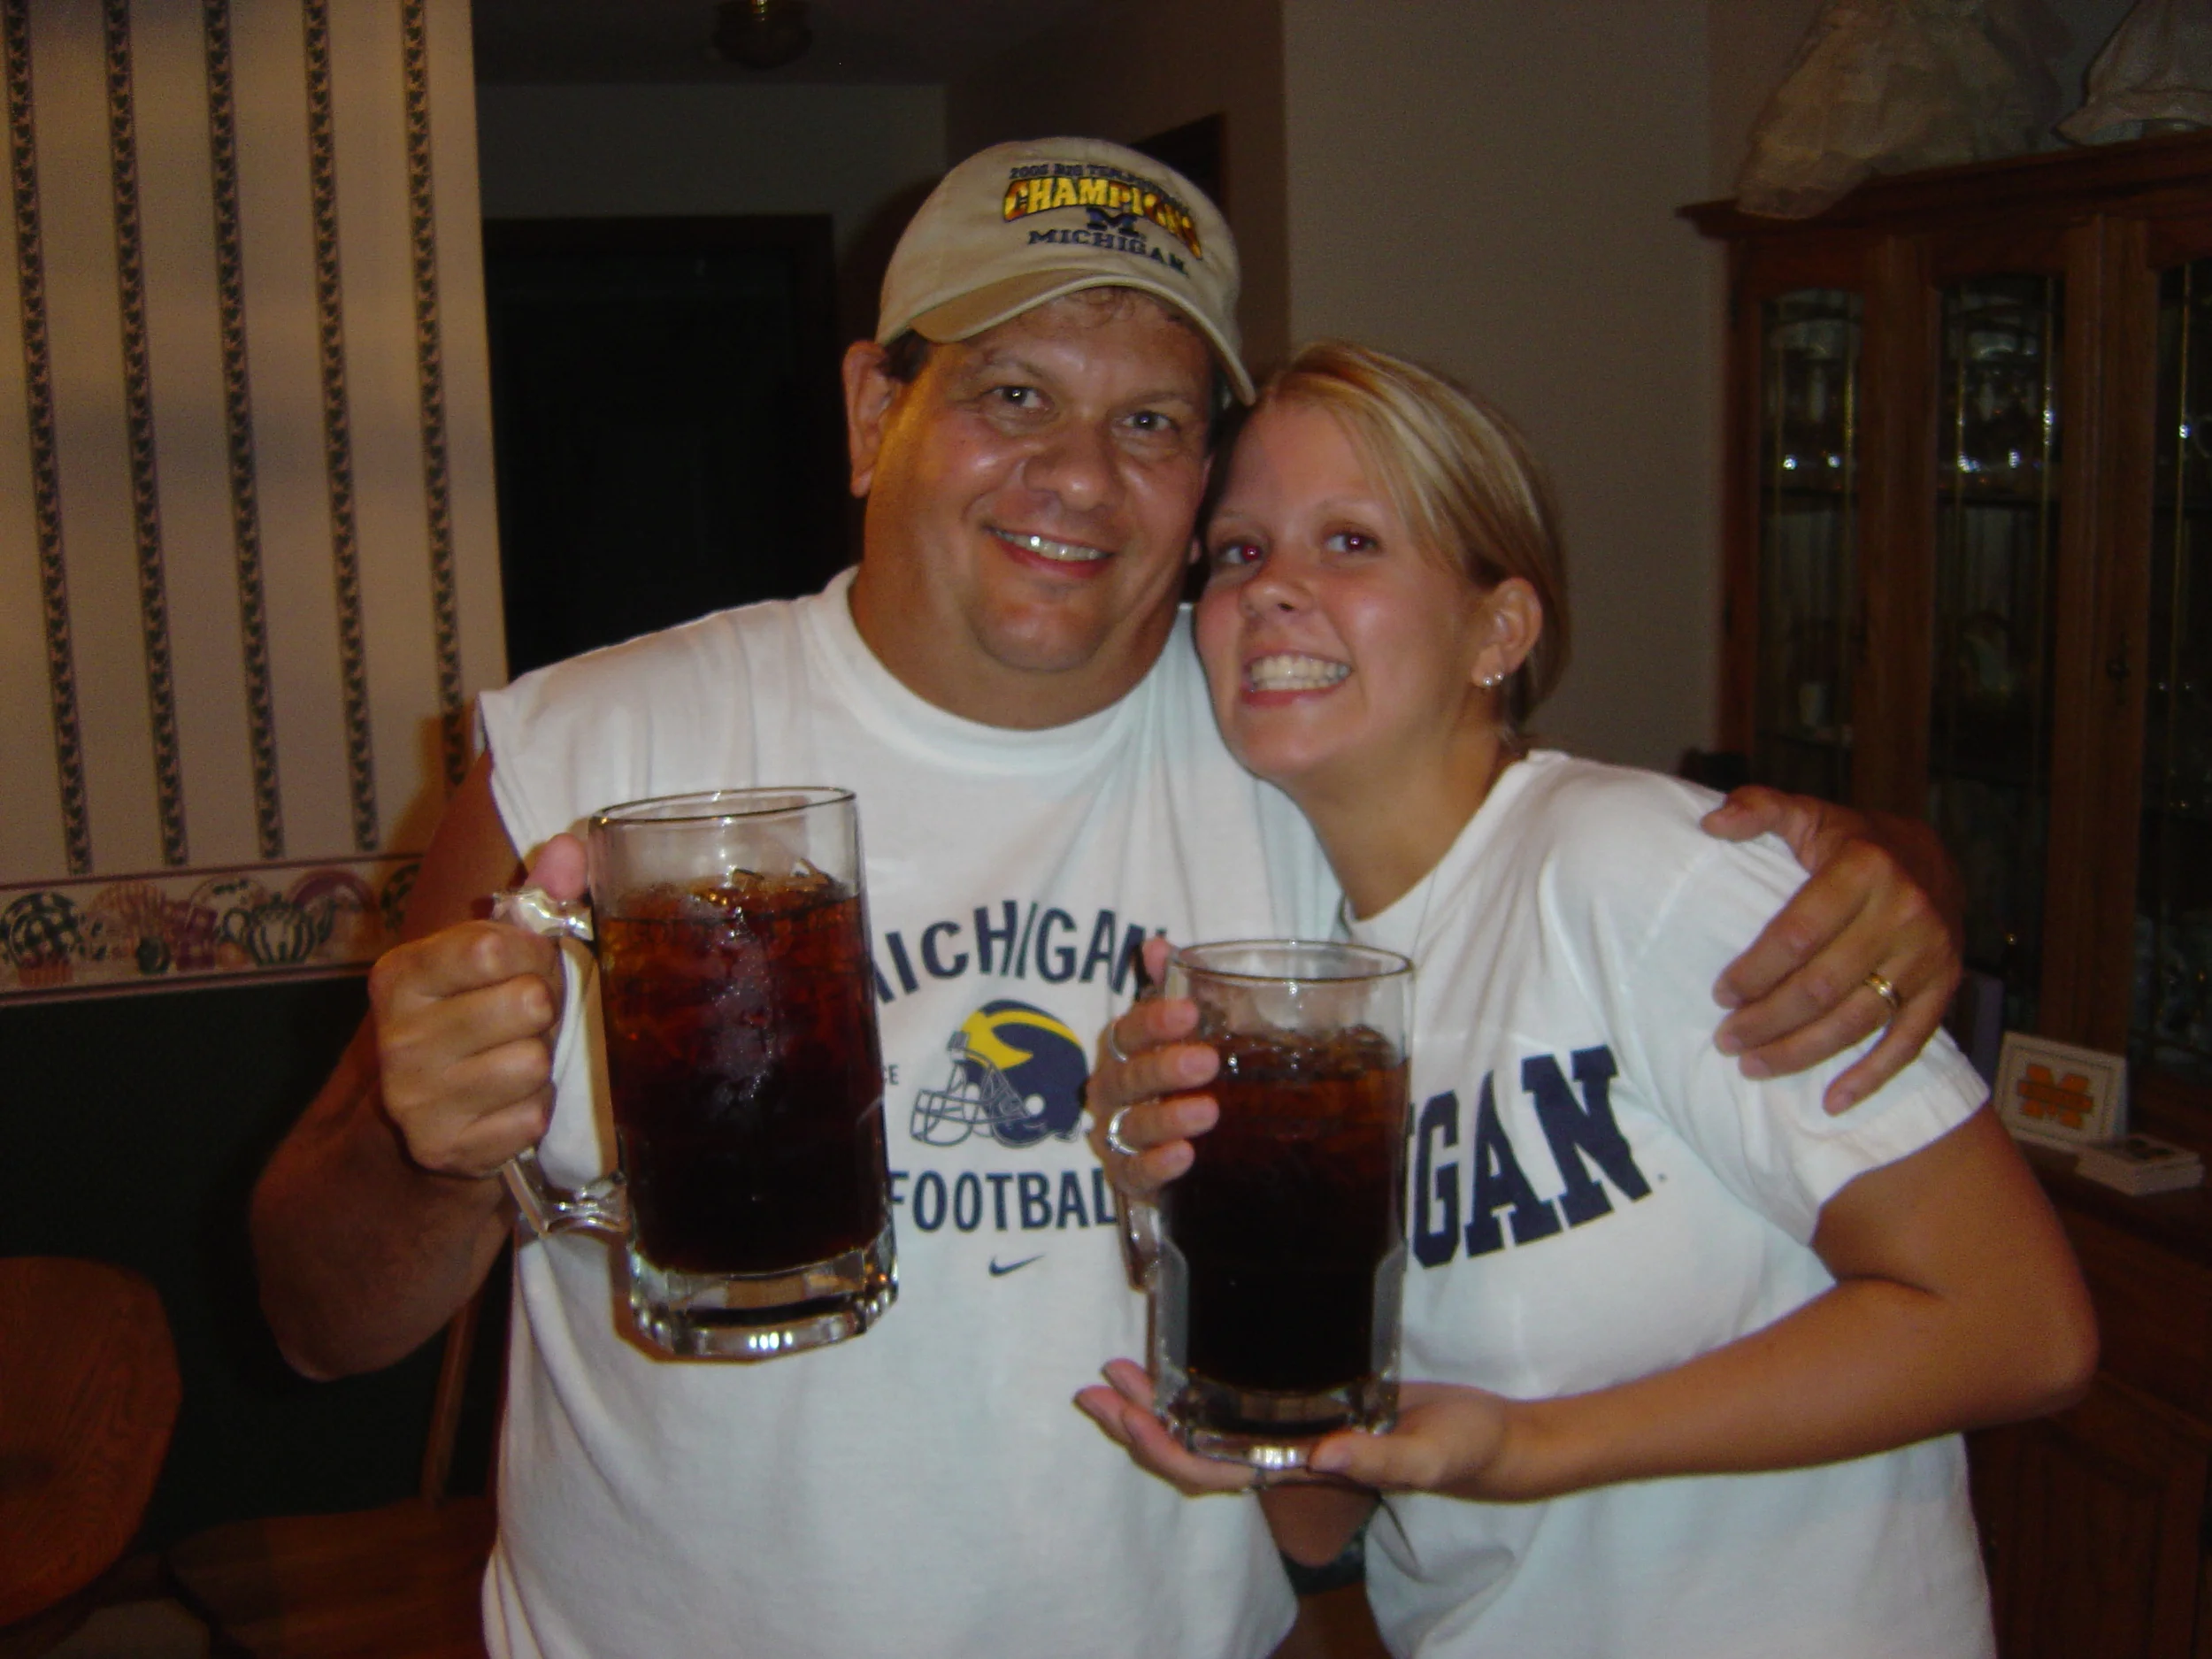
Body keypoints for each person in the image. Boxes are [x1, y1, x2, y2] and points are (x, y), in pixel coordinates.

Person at [252, 141, 1964, 1659]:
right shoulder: (585, 757)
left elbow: (1572, 844)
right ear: (872, 413)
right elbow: (319, 1321)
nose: (1078, 473)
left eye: (1150, 421)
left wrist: (1887, 864)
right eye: (1012, 393)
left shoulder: (1284, 746)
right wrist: (432, 1148)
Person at [1077, 341, 2097, 1657]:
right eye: (1239, 551)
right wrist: (1192, 1281)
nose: (1272, 588)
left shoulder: (1629, 865)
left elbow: (2022, 1323)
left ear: (1499, 630)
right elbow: (1332, 1513)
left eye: (1351, 541)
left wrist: (1536, 1446)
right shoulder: (1307, 1002)